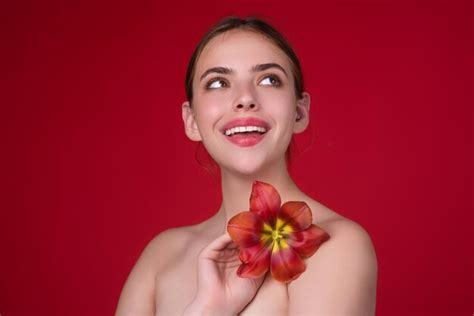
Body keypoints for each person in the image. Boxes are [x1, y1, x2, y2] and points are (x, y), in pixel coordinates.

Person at [116, 16, 378, 316]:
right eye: (218, 83)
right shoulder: (161, 256)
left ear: (299, 111)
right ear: (191, 121)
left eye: (269, 80)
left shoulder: (337, 245)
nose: (244, 99)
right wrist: (206, 311)